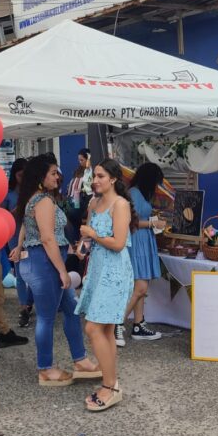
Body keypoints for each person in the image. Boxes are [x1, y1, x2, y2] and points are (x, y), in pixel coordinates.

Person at [10, 155, 101, 386]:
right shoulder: (42, 201)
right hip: (44, 264)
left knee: (70, 310)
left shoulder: (38, 199)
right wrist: (62, 270)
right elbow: (47, 238)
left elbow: (34, 229)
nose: (57, 176)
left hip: (44, 261)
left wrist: (69, 251)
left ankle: (80, 360)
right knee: (47, 317)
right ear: (41, 177)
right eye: (53, 173)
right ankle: (45, 368)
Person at [75, 158, 136, 412]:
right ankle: (112, 384)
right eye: (94, 176)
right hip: (98, 270)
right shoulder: (93, 202)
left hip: (115, 272)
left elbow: (119, 242)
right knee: (107, 330)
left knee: (92, 328)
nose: (96, 180)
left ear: (113, 179)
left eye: (100, 176)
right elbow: (89, 236)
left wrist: (93, 236)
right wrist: (83, 246)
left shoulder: (120, 205)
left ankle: (109, 386)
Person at [115, 162, 166, 346]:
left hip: (144, 241)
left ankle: (138, 324)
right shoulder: (135, 193)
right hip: (137, 242)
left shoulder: (140, 193)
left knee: (140, 287)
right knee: (140, 288)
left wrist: (153, 221)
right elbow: (129, 221)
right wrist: (153, 224)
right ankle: (117, 323)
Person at [1, 158, 34, 328]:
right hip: (14, 236)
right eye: (20, 175)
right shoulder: (8, 194)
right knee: (20, 274)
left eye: (25, 175)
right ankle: (23, 308)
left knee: (35, 273)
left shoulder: (33, 191)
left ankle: (28, 302)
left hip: (33, 235)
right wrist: (16, 211)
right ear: (15, 175)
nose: (23, 179)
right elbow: (1, 216)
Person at [66, 148, 93, 243]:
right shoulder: (78, 171)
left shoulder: (90, 172)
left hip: (79, 201)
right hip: (73, 199)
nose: (80, 162)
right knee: (73, 222)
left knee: (76, 222)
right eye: (79, 160)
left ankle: (77, 241)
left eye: (82, 160)